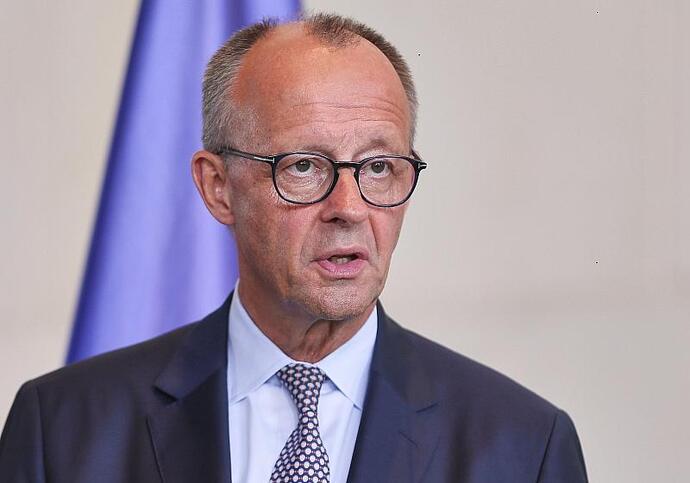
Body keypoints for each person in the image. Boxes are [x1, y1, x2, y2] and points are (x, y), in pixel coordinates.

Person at [0, 13, 587, 483]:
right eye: (304, 166)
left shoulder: (522, 447)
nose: (350, 207)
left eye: (379, 167)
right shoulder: (63, 432)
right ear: (218, 187)